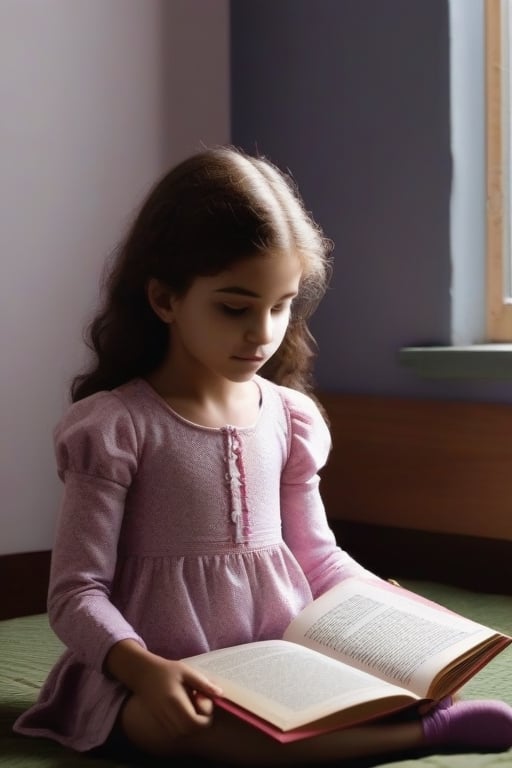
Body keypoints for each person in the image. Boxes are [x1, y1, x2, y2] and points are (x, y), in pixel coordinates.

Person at [14, 146, 512, 765]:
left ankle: (389, 712)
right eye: (235, 307)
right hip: (156, 675)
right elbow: (75, 593)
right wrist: (143, 670)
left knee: (374, 686)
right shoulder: (116, 428)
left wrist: (402, 622)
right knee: (193, 732)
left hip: (281, 661)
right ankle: (424, 735)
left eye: (281, 307)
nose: (263, 333)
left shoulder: (289, 418)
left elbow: (317, 557)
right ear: (166, 300)